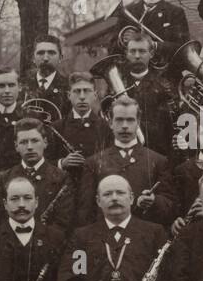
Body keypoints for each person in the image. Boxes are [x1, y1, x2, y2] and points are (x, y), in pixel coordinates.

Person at [58, 174, 170, 281]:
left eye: (120, 193)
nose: (115, 198)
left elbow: (165, 276)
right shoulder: (82, 237)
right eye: (108, 194)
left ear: (132, 198)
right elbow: (72, 279)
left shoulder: (154, 232)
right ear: (98, 201)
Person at [75, 96, 176, 228]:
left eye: (130, 120)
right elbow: (85, 213)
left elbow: (171, 207)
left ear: (138, 122)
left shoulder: (158, 161)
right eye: (119, 120)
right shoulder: (93, 163)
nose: (124, 126)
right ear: (110, 123)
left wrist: (154, 201)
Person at [0, 117, 75, 232]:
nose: (30, 147)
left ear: (45, 142)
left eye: (35, 141)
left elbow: (63, 224)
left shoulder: (62, 178)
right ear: (16, 146)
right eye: (24, 142)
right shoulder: (3, 178)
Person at [116, 0, 190, 66]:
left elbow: (184, 49)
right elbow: (112, 49)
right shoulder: (127, 11)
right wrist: (123, 40)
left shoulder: (176, 12)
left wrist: (154, 45)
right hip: (134, 73)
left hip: (166, 75)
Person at [116, 32, 176, 153]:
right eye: (132, 51)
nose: (137, 56)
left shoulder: (164, 86)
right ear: (126, 54)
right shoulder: (117, 85)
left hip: (158, 152)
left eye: (142, 51)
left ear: (151, 54)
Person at [58, 71, 105, 162]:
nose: (82, 97)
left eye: (87, 91)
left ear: (95, 95)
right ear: (69, 95)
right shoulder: (57, 127)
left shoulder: (105, 127)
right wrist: (61, 163)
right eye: (77, 91)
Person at [22, 35, 70, 115]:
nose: (45, 58)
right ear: (33, 58)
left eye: (51, 53)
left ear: (60, 58)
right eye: (40, 53)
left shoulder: (69, 87)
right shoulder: (21, 86)